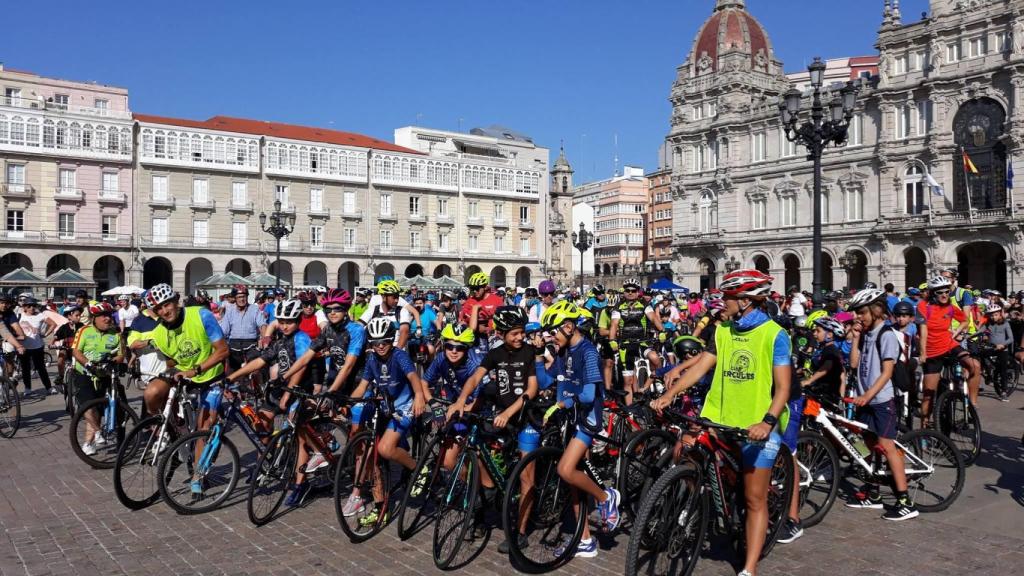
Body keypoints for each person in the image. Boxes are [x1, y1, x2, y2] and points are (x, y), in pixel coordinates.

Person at [653, 269, 790, 576]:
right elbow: (700, 368)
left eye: (726, 297)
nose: (721, 301)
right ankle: (695, 506)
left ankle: (749, 568)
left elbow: (782, 388)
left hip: (756, 426)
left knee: (755, 499)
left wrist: (767, 422)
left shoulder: (775, 335)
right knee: (684, 448)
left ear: (744, 300)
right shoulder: (723, 331)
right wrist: (670, 394)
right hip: (718, 416)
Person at [445, 307, 539, 552]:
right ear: (501, 333)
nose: (520, 337)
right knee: (482, 462)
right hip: (500, 419)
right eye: (515, 333)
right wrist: (460, 401)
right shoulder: (495, 354)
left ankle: (519, 532)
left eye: (522, 332)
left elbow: (532, 389)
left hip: (525, 418)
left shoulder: (530, 351)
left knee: (526, 476)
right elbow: (475, 378)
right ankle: (482, 513)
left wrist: (509, 413)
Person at [539, 299, 616, 559]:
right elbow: (545, 380)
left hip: (587, 419)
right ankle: (585, 539)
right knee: (572, 479)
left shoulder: (588, 352)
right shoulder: (562, 353)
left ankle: (606, 497)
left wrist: (566, 400)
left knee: (565, 469)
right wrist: (538, 356)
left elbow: (588, 394)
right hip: (570, 418)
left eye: (553, 332)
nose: (551, 337)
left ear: (569, 327)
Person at [339, 317, 428, 522]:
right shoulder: (371, 359)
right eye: (375, 343)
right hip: (385, 406)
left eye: (385, 342)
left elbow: (414, 378)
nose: (380, 347)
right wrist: (347, 402)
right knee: (374, 460)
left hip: (404, 406)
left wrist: (420, 397)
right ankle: (380, 508)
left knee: (385, 449)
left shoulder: (399, 356)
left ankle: (418, 468)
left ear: (391, 340)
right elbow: (363, 386)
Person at [846, 288, 918, 521]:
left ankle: (905, 500)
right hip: (865, 398)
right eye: (857, 313)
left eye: (862, 312)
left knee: (888, 447)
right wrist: (856, 338)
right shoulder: (867, 334)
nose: (859, 317)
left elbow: (887, 372)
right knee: (867, 445)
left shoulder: (886, 335)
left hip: (882, 400)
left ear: (876, 310)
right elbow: (855, 363)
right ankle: (873, 492)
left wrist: (868, 395)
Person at [143, 283, 229, 474]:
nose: (164, 311)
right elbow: (172, 361)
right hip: (184, 377)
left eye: (167, 304)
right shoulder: (158, 333)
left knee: (203, 427)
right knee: (152, 392)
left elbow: (223, 351)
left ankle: (197, 476)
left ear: (175, 300)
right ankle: (174, 431)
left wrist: (194, 370)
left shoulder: (201, 314)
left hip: (211, 376)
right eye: (158, 308)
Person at [917, 275, 979, 426]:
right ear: (933, 293)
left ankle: (972, 406)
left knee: (975, 365)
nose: (944, 295)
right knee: (928, 395)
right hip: (932, 351)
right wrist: (923, 353)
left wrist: (957, 333)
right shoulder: (924, 306)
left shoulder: (950, 307)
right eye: (940, 292)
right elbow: (923, 332)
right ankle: (924, 426)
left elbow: (965, 320)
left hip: (949, 344)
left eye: (946, 291)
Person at [71, 303, 125, 455]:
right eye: (103, 316)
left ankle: (89, 443)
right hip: (85, 374)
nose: (107, 318)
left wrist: (113, 361)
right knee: (88, 406)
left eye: (109, 315)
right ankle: (98, 431)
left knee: (98, 411)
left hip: (105, 375)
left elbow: (121, 355)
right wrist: (88, 364)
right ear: (94, 318)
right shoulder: (84, 331)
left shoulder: (116, 333)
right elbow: (76, 351)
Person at [219, 285, 267, 380]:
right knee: (229, 376)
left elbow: (262, 325)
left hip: (251, 345)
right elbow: (224, 330)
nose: (242, 299)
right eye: (239, 297)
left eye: (244, 297)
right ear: (235, 298)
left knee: (256, 372)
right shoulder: (229, 310)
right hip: (233, 345)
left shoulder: (254, 309)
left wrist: (264, 339)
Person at [17, 298, 58, 395]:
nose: (32, 308)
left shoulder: (40, 315)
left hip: (38, 347)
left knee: (41, 368)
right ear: (24, 307)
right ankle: (27, 388)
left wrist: (45, 334)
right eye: (29, 306)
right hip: (24, 347)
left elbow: (53, 324)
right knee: (25, 369)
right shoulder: (19, 316)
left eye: (33, 306)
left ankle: (49, 387)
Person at [461, 272, 505, 349]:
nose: (474, 291)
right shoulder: (469, 302)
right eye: (472, 288)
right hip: (474, 336)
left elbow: (503, 321)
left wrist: (487, 329)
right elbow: (464, 322)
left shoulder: (496, 300)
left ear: (485, 287)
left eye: (477, 288)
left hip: (493, 336)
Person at [980, 304, 1014, 401]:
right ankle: (988, 373)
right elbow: (980, 331)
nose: (993, 317)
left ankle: (1004, 392)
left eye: (995, 315)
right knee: (980, 354)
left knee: (1002, 370)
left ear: (1000, 314)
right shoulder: (988, 323)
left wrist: (1002, 344)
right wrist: (968, 336)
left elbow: (1011, 338)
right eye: (991, 315)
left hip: (1003, 349)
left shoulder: (1005, 323)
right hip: (992, 348)